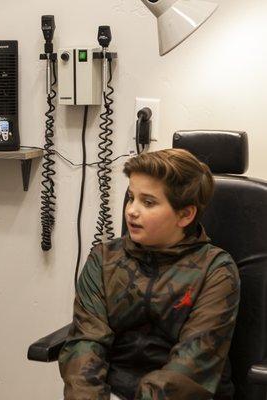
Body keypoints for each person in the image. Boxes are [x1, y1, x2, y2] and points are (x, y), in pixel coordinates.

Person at [59, 149, 240, 400]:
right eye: (131, 197)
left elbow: (190, 368)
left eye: (148, 202)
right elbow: (86, 343)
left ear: (185, 215)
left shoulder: (216, 271)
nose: (132, 210)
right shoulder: (104, 259)